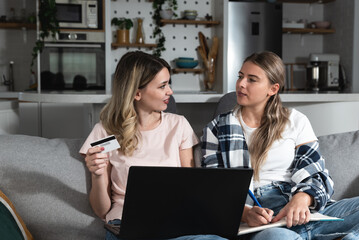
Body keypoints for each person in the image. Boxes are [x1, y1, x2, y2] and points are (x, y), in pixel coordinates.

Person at [201, 51, 359, 240]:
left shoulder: (296, 120)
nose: (241, 84)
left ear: (273, 89)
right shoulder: (217, 129)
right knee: (278, 237)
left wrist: (302, 198)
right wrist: (244, 213)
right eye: (240, 77)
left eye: (252, 79)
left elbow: (316, 172)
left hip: (301, 209)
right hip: (261, 219)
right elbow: (213, 189)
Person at [80, 51, 226, 240]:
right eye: (162, 86)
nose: (170, 92)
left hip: (175, 223)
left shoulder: (178, 125)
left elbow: (191, 188)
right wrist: (97, 174)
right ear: (137, 93)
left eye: (169, 84)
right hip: (126, 224)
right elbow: (101, 210)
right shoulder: (106, 131)